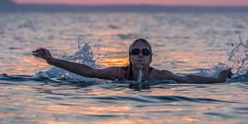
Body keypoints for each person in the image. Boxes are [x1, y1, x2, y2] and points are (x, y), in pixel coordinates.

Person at [32, 38, 232, 84]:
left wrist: (218, 80)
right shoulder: (117, 74)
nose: (140, 54)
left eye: (145, 52)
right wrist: (52, 61)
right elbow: (89, 71)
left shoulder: (160, 76)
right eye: (135, 51)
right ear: (129, 56)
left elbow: (187, 79)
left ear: (151, 58)